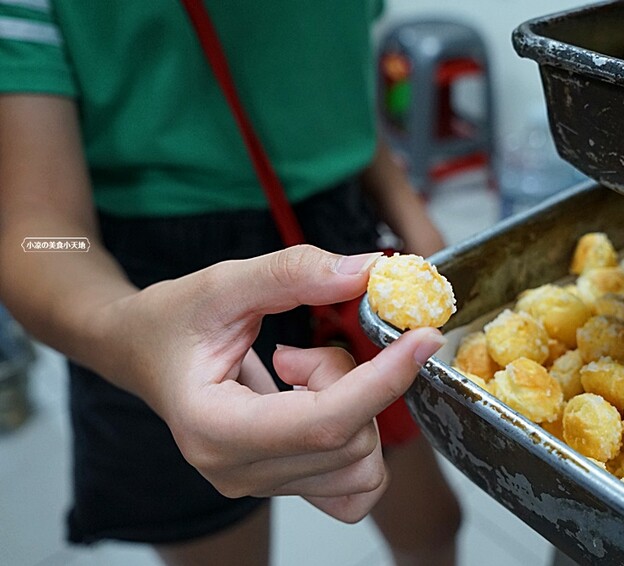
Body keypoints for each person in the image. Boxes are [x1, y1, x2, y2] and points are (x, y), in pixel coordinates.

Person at [0, 1, 462, 565]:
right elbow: (39, 237)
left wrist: (408, 211)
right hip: (146, 287)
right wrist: (122, 329)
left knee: (433, 521)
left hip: (338, 229)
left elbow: (335, 89)